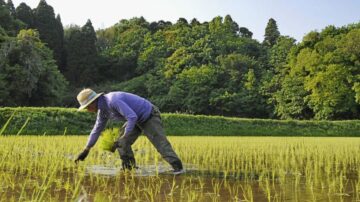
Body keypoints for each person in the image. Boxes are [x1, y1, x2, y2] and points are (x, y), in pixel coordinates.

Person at [74, 88, 185, 175]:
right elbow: (96, 129)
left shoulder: (113, 100)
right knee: (121, 143)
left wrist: (126, 135)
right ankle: (129, 169)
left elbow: (131, 117)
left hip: (148, 115)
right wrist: (86, 149)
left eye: (87, 107)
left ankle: (178, 169)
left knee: (161, 144)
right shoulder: (102, 111)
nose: (88, 110)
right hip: (136, 119)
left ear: (93, 102)